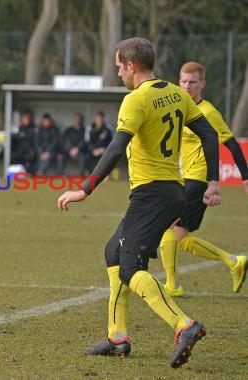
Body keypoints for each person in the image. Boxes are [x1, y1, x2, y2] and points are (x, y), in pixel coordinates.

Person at [57, 38, 221, 368]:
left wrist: (84, 189)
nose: (119, 73)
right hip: (173, 192)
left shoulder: (136, 99)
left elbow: (116, 149)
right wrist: (213, 179)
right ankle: (117, 337)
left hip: (152, 195)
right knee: (113, 253)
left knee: (131, 268)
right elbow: (210, 134)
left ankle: (184, 325)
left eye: (119, 67)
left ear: (132, 66)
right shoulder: (176, 93)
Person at [159, 61, 248, 297]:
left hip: (198, 179)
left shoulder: (208, 112)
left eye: (192, 82)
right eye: (183, 81)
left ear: (203, 84)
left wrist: (245, 178)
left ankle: (172, 285)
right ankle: (233, 262)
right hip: (180, 176)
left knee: (167, 225)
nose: (187, 86)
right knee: (180, 237)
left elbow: (232, 145)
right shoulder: (180, 108)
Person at [10, 110, 37, 175]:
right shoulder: (18, 128)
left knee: (30, 155)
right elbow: (13, 137)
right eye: (23, 119)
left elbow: (33, 138)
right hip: (18, 149)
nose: (25, 121)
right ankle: (16, 172)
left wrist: (23, 135)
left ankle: (28, 172)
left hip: (29, 149)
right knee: (14, 156)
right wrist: (19, 136)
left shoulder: (33, 128)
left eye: (26, 120)